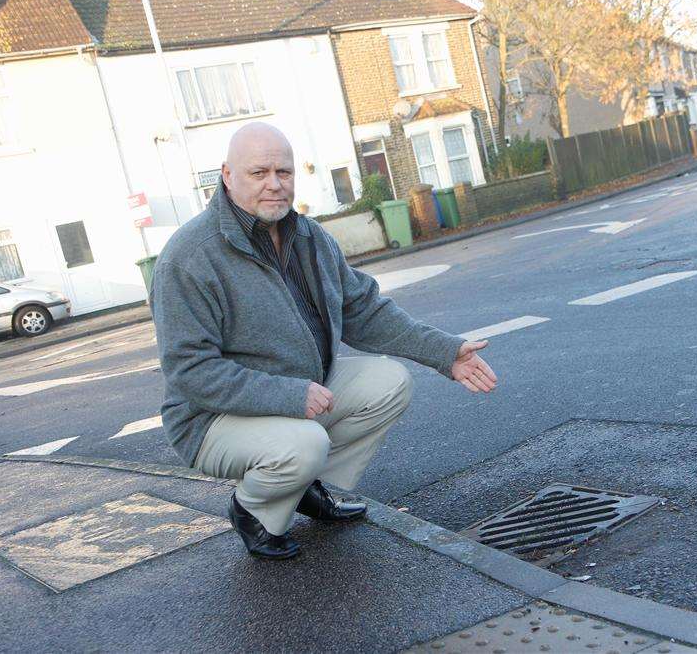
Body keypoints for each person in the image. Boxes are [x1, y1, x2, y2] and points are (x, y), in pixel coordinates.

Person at [150, 122, 497, 560]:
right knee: (305, 445)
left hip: (298, 392)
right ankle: (253, 510)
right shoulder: (189, 258)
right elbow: (189, 372)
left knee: (389, 383)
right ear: (227, 175)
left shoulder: (310, 238)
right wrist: (291, 395)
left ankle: (299, 489)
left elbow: (364, 311)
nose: (275, 185)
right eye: (259, 173)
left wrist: (444, 352)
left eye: (285, 172)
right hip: (211, 420)